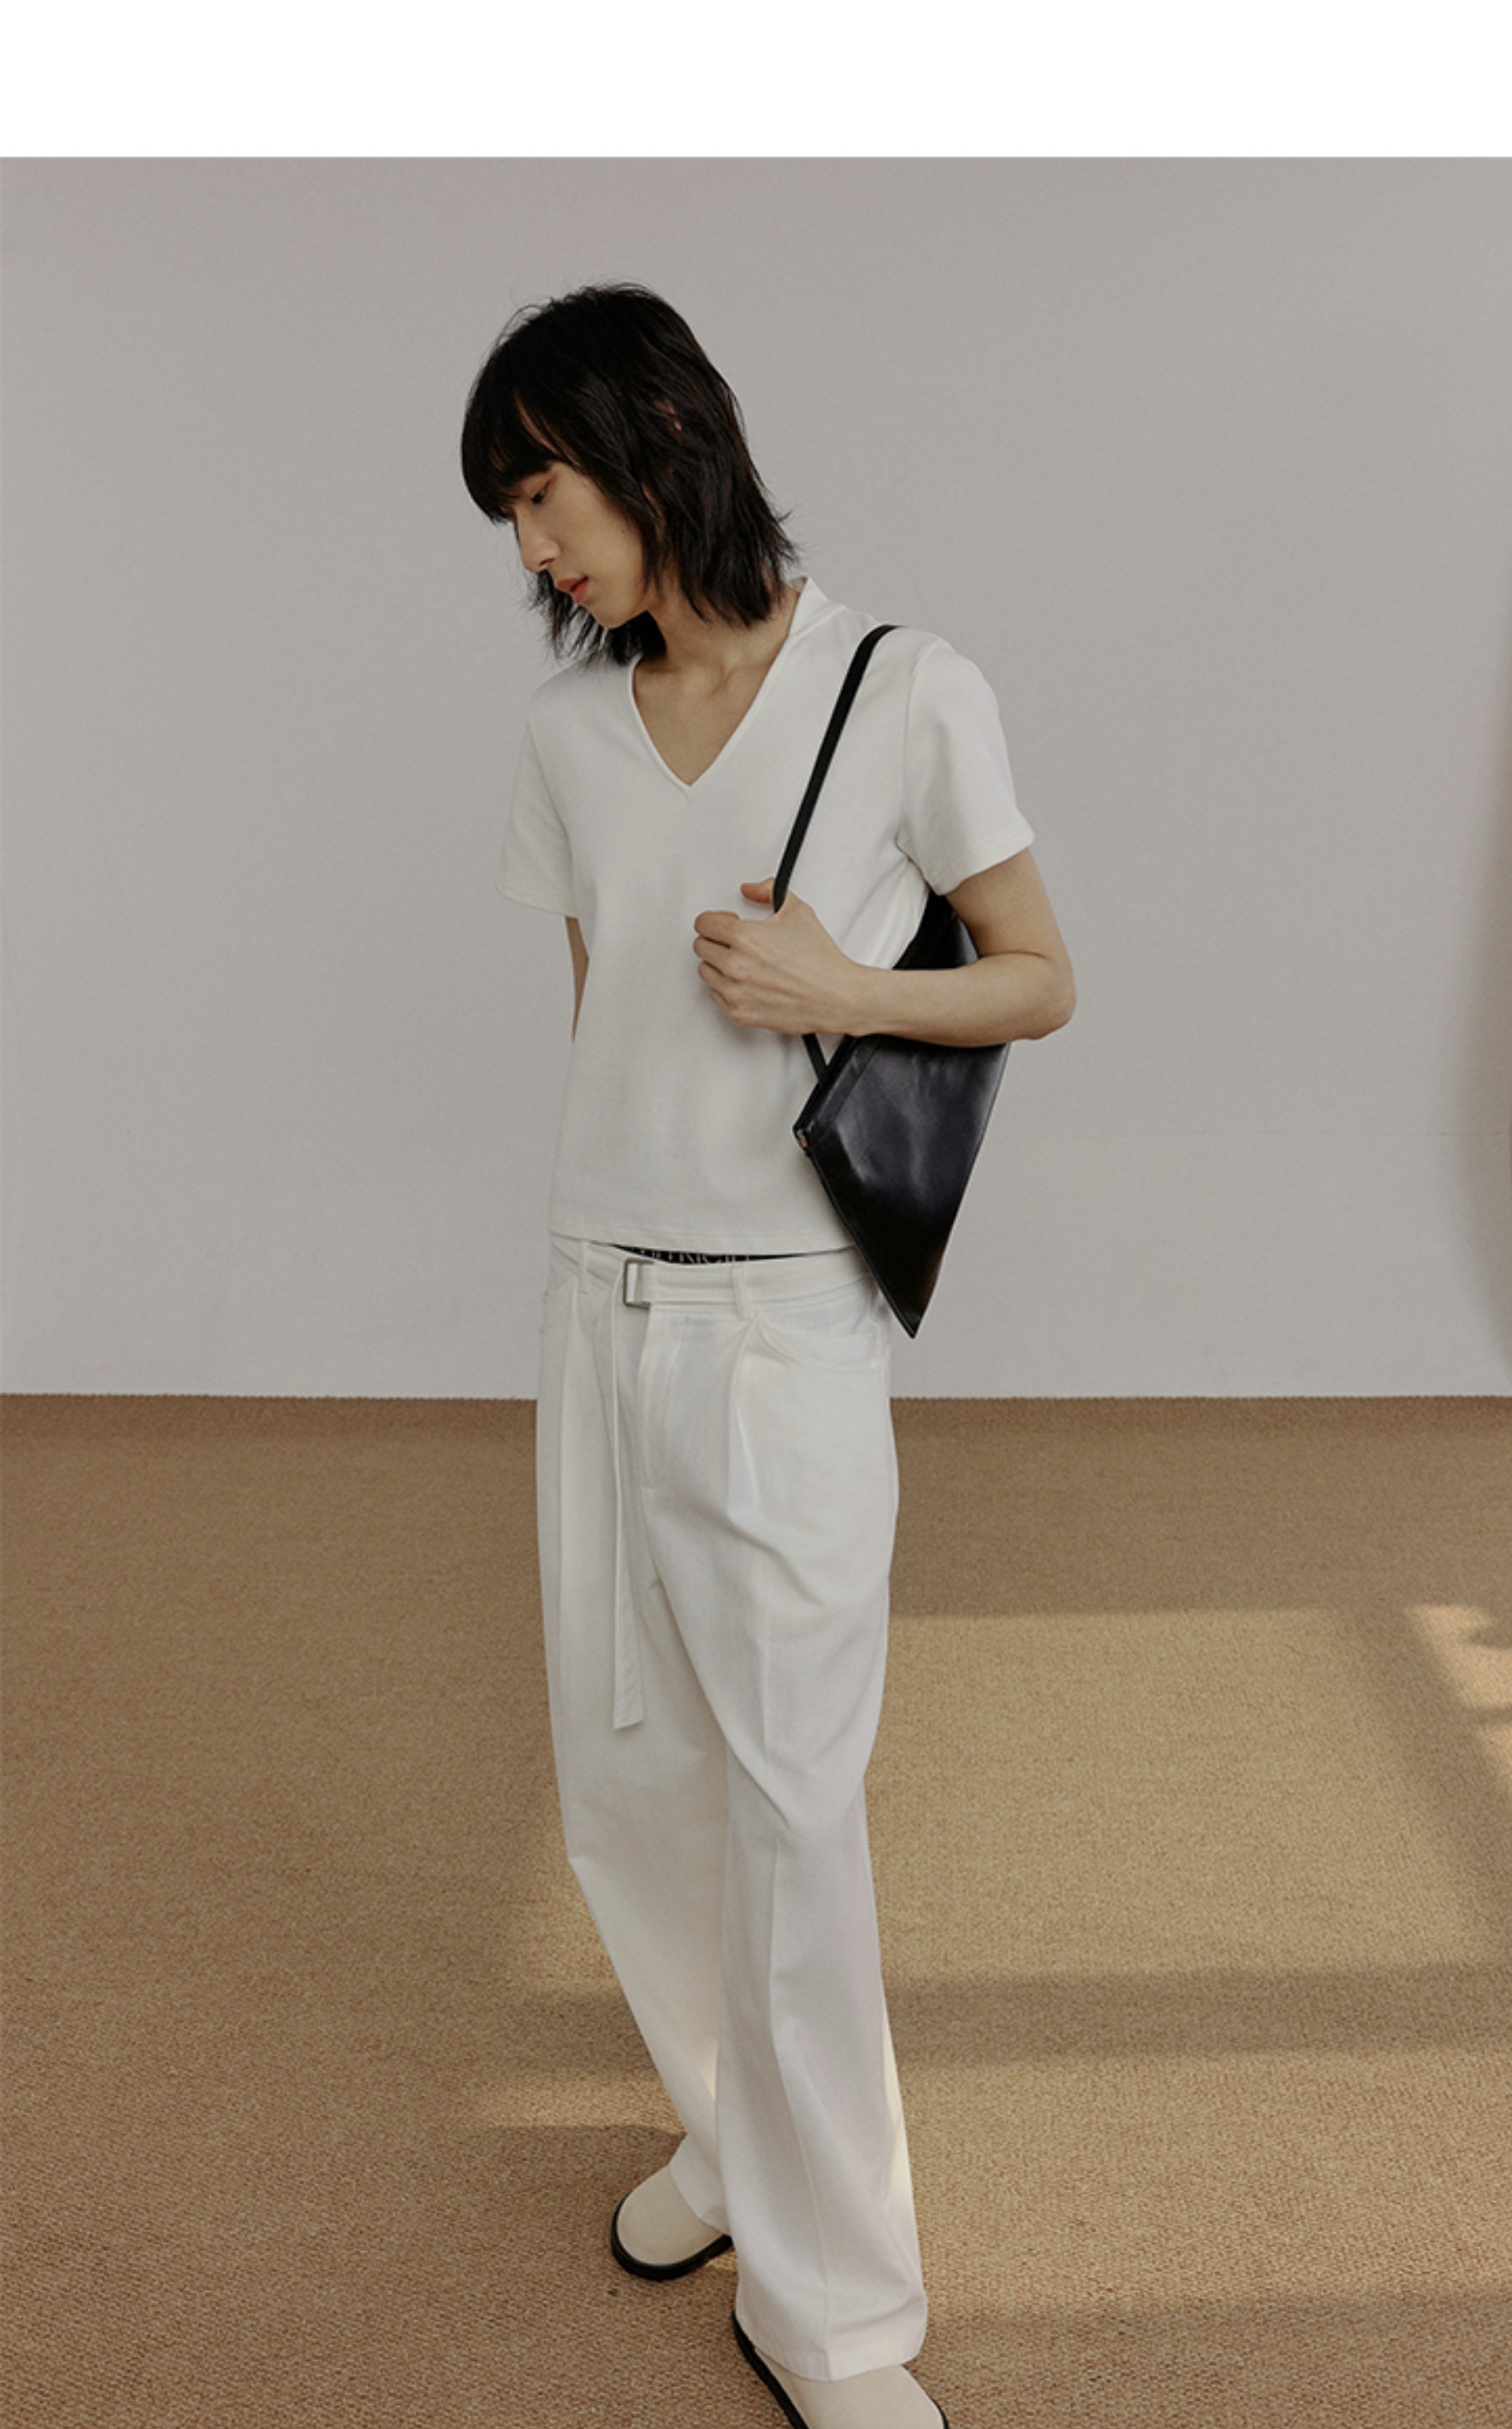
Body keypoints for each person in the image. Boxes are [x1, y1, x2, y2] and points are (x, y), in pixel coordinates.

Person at [461, 282, 1074, 2429]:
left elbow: (1039, 975)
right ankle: (729, 2136)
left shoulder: (905, 690)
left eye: (543, 491)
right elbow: (606, 1023)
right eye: (510, 514)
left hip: (784, 1326)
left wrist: (850, 989)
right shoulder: (566, 740)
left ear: (655, 441)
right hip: (594, 1301)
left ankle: (836, 2317)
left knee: (795, 1813)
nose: (532, 546)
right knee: (630, 1787)